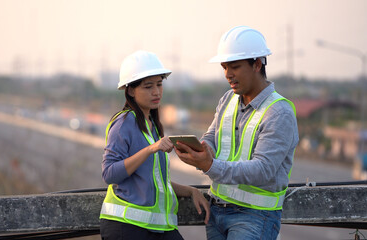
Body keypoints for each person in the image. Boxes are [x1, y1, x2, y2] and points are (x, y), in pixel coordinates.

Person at [174, 26, 299, 240]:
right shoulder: (228, 99)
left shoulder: (279, 112)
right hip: (216, 212)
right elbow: (213, 137)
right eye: (224, 67)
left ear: (257, 64)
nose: (227, 74)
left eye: (235, 66)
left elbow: (263, 170)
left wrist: (209, 165)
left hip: (254, 217)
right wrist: (202, 150)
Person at [99, 50, 210, 240]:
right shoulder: (123, 123)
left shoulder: (152, 125)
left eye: (159, 84)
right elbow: (109, 173)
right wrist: (151, 149)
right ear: (131, 90)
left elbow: (155, 181)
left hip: (156, 228)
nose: (156, 91)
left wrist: (191, 191)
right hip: (126, 227)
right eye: (148, 86)